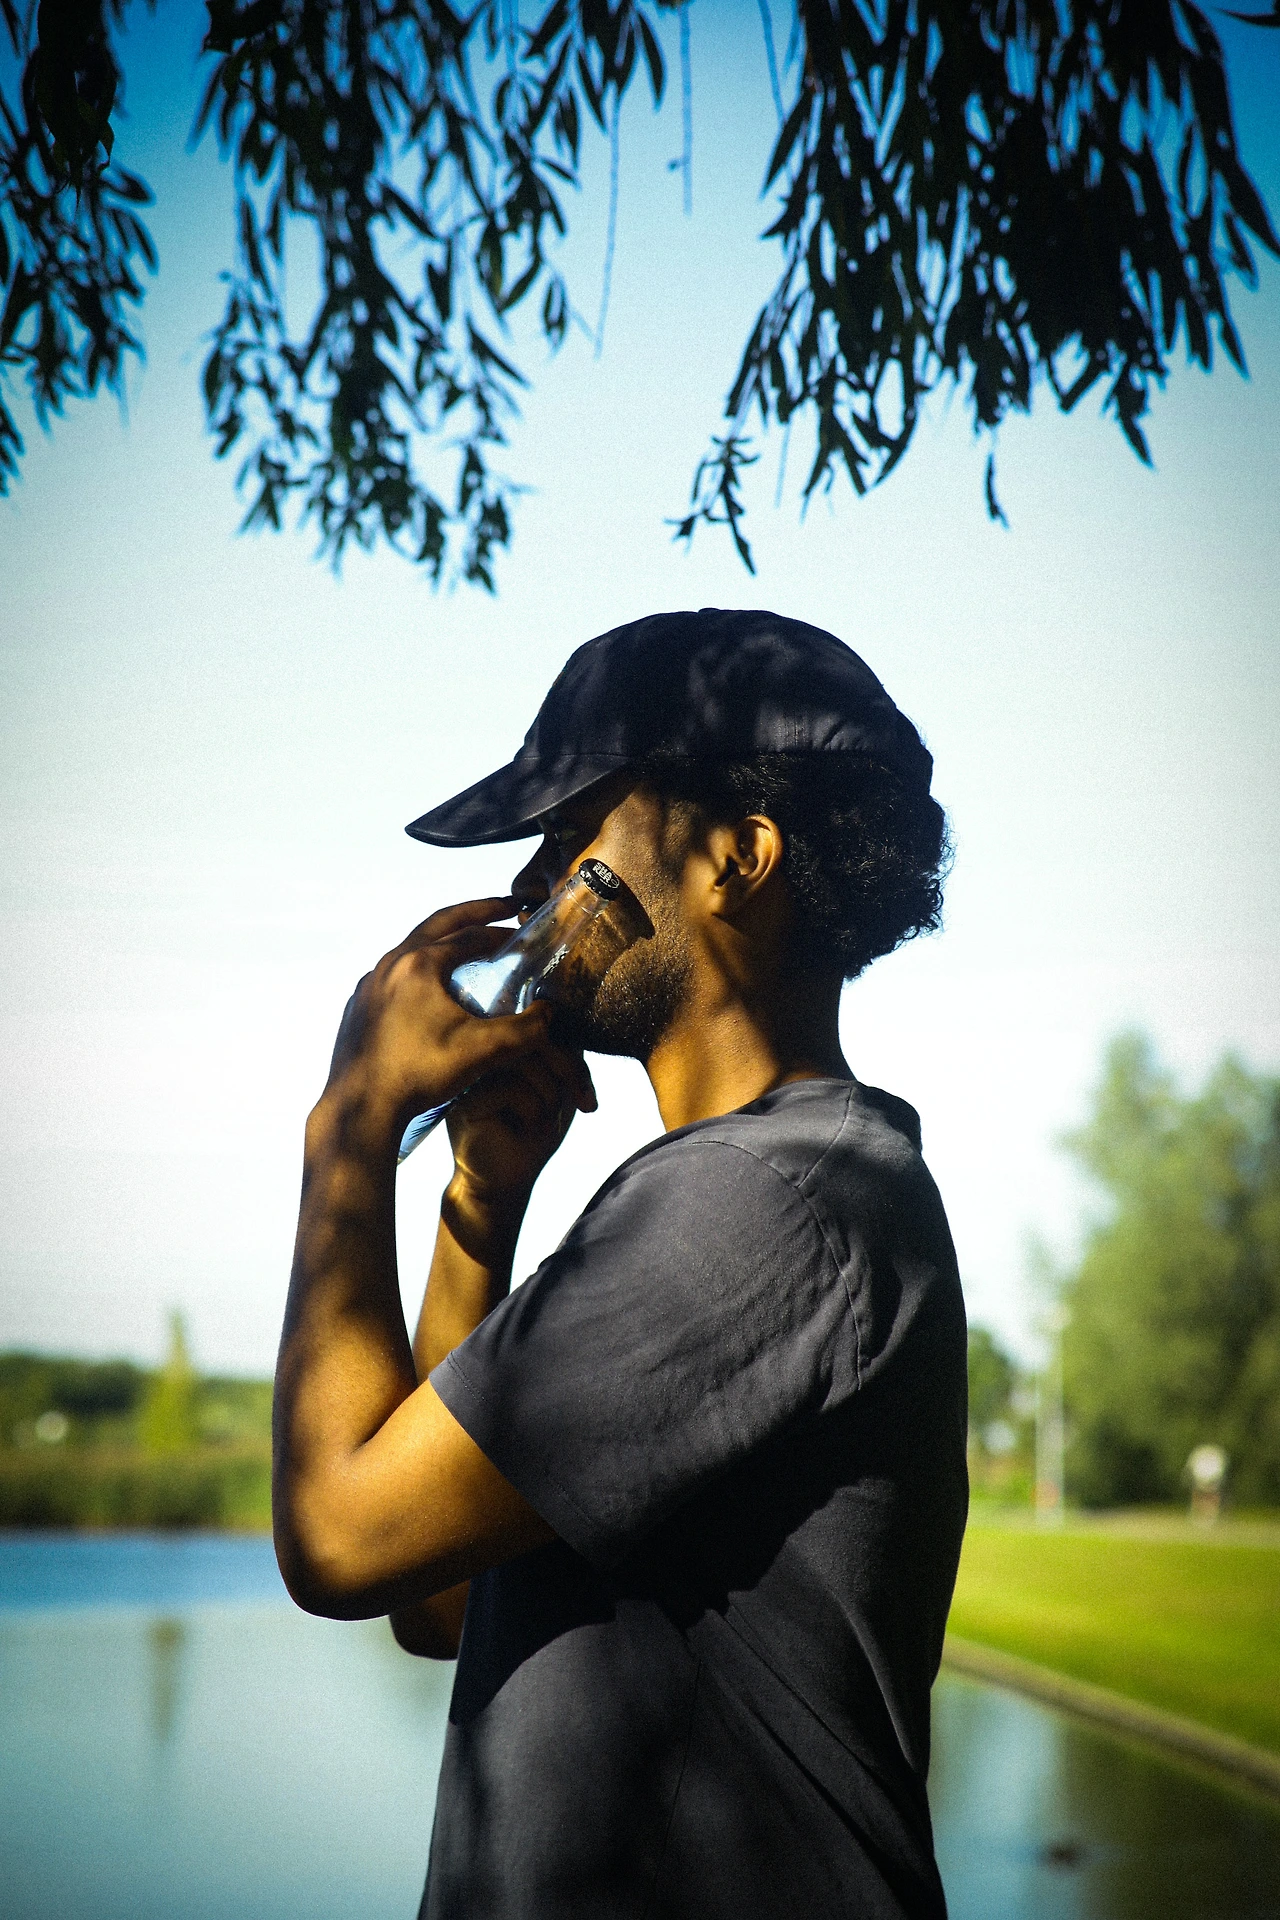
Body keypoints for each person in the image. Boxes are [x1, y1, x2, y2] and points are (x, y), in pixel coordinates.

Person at [273, 608, 969, 1919]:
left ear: (737, 859)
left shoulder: (761, 1197)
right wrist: (481, 1208)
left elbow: (338, 1540)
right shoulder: (755, 1188)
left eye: (573, 833)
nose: (534, 887)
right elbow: (436, 1599)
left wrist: (349, 1132)